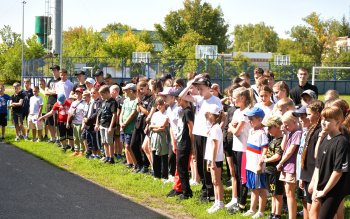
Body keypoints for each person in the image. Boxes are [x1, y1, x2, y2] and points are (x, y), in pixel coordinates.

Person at [179, 75, 223, 202]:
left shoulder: (216, 100)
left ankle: (210, 191)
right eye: (198, 88)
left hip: (208, 136)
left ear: (209, 88)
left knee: (206, 164)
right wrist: (192, 83)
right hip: (198, 134)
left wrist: (216, 130)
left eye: (202, 88)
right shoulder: (198, 99)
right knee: (198, 163)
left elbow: (221, 117)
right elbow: (182, 96)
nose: (199, 91)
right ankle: (205, 189)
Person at [309, 106, 349, 219]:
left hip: (333, 190)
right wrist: (316, 188)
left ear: (338, 122)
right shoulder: (325, 139)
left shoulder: (342, 142)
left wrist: (325, 191)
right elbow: (318, 166)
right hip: (321, 188)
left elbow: (338, 171)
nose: (323, 122)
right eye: (322, 119)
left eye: (328, 120)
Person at [227, 86, 254, 214]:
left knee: (243, 177)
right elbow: (230, 127)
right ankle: (238, 201)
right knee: (237, 175)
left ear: (242, 98)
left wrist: (232, 127)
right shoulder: (237, 111)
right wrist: (231, 127)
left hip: (244, 148)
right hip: (236, 147)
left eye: (235, 97)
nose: (232, 99)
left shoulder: (246, 112)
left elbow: (236, 131)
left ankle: (242, 204)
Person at [242, 107, 269, 218]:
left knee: (261, 189)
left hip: (257, 166)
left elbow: (265, 150)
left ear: (259, 119)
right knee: (253, 188)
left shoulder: (262, 133)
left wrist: (260, 164)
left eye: (251, 118)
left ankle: (261, 211)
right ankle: (252, 209)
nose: (249, 121)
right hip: (250, 165)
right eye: (249, 118)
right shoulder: (251, 131)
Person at [299, 101, 324, 218]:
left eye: (309, 114)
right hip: (307, 174)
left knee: (314, 208)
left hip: (314, 174)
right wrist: (302, 176)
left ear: (318, 114)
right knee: (308, 204)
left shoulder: (320, 132)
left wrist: (313, 179)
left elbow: (317, 157)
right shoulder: (311, 129)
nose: (307, 117)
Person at [276, 111, 302, 219]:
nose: (285, 126)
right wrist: (285, 134)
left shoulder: (298, 133)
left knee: (290, 194)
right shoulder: (290, 132)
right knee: (288, 193)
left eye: (287, 124)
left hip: (291, 166)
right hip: (286, 166)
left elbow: (290, 151)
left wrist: (280, 162)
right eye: (283, 124)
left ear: (295, 122)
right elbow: (283, 148)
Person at [173, 88, 195, 200]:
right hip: (181, 142)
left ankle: (187, 192)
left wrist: (192, 146)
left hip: (185, 144)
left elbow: (191, 129)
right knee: (180, 167)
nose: (177, 102)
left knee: (182, 168)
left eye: (178, 100)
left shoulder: (188, 111)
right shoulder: (184, 111)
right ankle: (184, 190)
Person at [204, 104, 225, 214]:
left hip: (216, 159)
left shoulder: (216, 128)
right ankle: (217, 202)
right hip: (212, 159)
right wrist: (209, 160)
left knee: (217, 181)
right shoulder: (214, 127)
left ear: (213, 115)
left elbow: (215, 146)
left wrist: (212, 161)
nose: (206, 116)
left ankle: (220, 203)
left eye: (208, 114)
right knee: (214, 181)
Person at [263, 116, 284, 219]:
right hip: (269, 171)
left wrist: (266, 160)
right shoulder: (273, 139)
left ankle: (277, 215)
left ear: (277, 127)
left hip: (275, 172)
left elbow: (277, 156)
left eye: (270, 127)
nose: (268, 130)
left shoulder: (281, 141)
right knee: (273, 194)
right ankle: (272, 213)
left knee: (278, 195)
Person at [95, 85, 118, 164]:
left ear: (107, 92)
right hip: (102, 124)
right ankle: (107, 156)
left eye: (102, 95)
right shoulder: (103, 102)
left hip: (108, 125)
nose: (101, 96)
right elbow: (99, 113)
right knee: (104, 142)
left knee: (110, 142)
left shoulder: (113, 102)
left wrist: (111, 127)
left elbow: (114, 115)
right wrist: (97, 124)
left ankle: (111, 158)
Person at [149, 96, 169, 180]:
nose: (158, 107)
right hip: (155, 136)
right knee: (155, 155)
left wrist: (156, 127)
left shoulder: (167, 114)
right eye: (157, 105)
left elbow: (164, 126)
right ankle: (156, 175)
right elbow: (151, 125)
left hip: (164, 137)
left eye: (160, 104)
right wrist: (157, 128)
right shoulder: (155, 114)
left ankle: (165, 175)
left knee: (164, 156)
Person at [120, 83, 138, 167]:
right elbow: (122, 112)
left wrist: (125, 123)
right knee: (125, 145)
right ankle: (129, 163)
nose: (124, 91)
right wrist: (120, 123)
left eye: (126, 90)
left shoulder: (136, 101)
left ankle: (136, 164)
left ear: (131, 91)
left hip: (131, 127)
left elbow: (133, 114)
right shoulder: (125, 100)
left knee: (128, 145)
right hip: (123, 126)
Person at [67, 87, 86, 156]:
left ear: (81, 94)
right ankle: (76, 150)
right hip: (74, 123)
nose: (77, 94)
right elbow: (70, 113)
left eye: (79, 93)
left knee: (81, 137)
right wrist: (68, 122)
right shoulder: (73, 103)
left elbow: (85, 114)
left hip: (80, 123)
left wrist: (83, 124)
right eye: (76, 93)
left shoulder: (84, 103)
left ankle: (82, 151)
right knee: (75, 137)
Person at [45, 64, 61, 144]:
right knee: (49, 122)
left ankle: (58, 138)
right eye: (53, 70)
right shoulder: (50, 81)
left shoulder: (60, 80)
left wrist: (51, 92)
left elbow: (58, 92)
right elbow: (46, 92)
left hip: (57, 103)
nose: (53, 72)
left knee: (56, 122)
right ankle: (53, 138)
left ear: (58, 71)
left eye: (55, 70)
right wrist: (52, 92)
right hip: (49, 103)